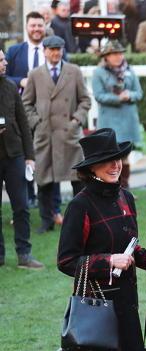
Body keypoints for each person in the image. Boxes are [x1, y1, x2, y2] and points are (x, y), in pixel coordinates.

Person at [56, 128, 146, 351]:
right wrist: (108, 261)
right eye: (107, 161)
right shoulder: (80, 206)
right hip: (96, 309)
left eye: (117, 159)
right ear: (91, 168)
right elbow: (66, 260)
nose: (115, 165)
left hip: (125, 305)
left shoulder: (126, 197)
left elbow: (132, 249)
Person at [22, 35, 91, 234]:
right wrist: (37, 122)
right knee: (44, 181)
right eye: (51, 49)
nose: (55, 53)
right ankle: (47, 221)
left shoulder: (74, 71)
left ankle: (81, 220)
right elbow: (26, 104)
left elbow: (85, 100)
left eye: (58, 49)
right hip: (45, 136)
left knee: (78, 180)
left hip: (69, 135)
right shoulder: (35, 74)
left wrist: (76, 120)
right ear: (44, 51)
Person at [0, 49, 43, 269]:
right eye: (1, 60)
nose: (5, 62)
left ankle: (24, 254)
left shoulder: (10, 87)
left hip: (15, 155)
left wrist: (30, 156)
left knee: (21, 207)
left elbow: (23, 123)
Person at [91, 41, 143, 190]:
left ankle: (124, 190)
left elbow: (139, 93)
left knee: (125, 156)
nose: (118, 56)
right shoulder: (99, 72)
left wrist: (129, 95)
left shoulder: (129, 70)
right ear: (106, 56)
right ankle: (111, 190)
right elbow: (99, 95)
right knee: (110, 157)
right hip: (109, 121)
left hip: (128, 120)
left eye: (120, 53)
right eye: (114, 54)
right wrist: (117, 98)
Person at [6, 11, 48, 89]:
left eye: (40, 25)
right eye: (33, 25)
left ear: (45, 27)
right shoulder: (13, 51)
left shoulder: (55, 51)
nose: (36, 29)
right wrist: (20, 81)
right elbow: (3, 77)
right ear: (26, 27)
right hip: (21, 96)